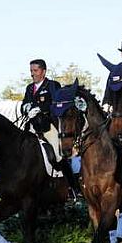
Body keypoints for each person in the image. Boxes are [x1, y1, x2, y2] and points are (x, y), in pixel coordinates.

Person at [20, 59, 80, 199]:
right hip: (32, 126)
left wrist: (39, 108)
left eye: (35, 71)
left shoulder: (52, 85)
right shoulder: (29, 88)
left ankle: (72, 187)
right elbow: (25, 102)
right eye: (31, 71)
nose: (32, 74)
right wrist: (26, 108)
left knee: (58, 154)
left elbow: (56, 104)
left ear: (43, 71)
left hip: (48, 126)